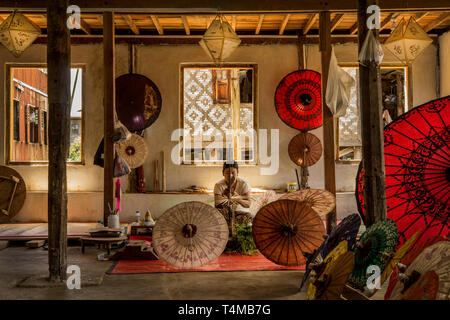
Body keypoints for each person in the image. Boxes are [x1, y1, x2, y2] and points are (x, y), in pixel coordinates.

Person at [214, 161, 252, 230]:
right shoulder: (218, 185)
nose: (230, 175)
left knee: (248, 218)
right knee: (217, 218)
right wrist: (226, 197)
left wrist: (237, 199)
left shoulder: (243, 184)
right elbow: (217, 204)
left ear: (237, 173)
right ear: (223, 173)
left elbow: (248, 204)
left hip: (240, 212)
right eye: (227, 173)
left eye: (233, 173)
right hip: (225, 212)